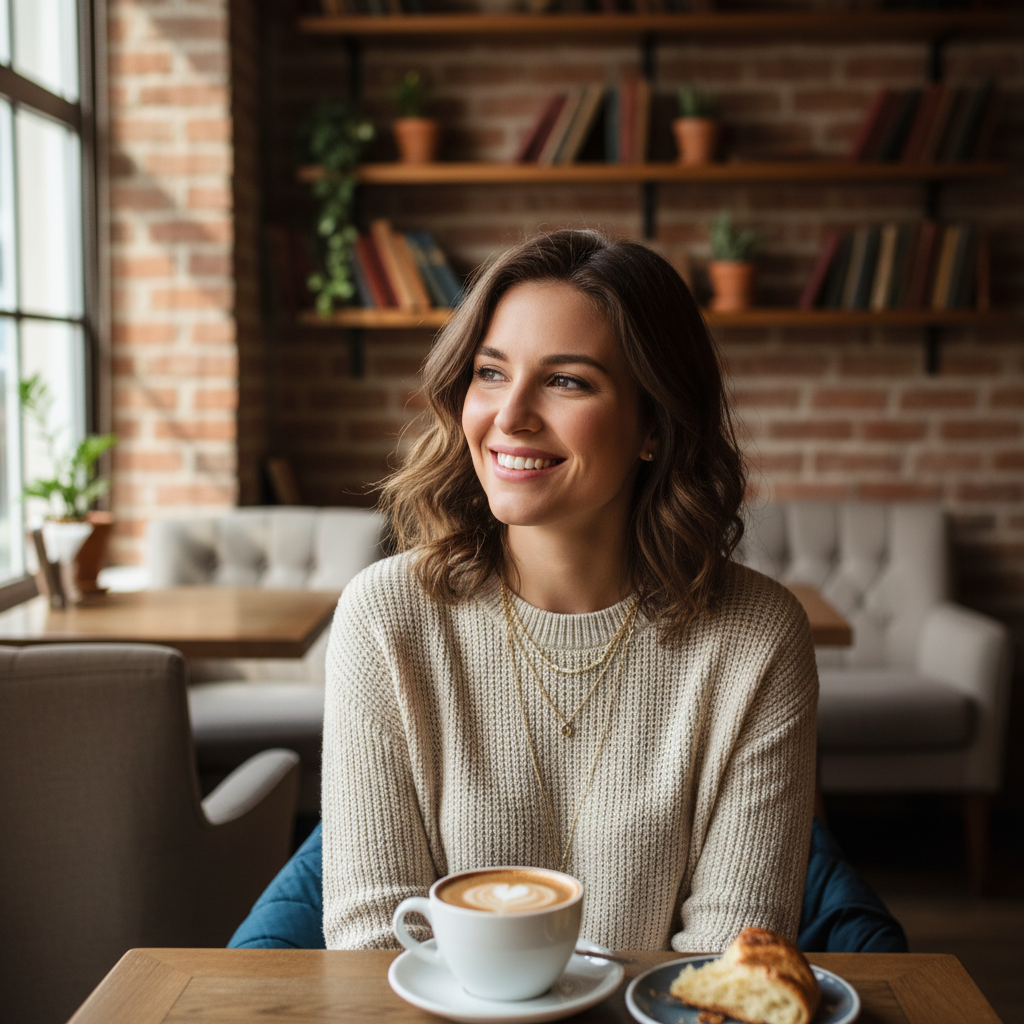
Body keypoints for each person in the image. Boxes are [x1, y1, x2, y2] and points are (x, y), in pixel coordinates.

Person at [321, 229, 818, 954]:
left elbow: (727, 961)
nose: (510, 416)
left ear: (654, 424)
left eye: (567, 381)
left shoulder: (759, 636)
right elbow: (375, 948)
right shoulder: (385, 616)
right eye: (491, 373)